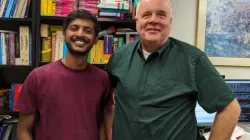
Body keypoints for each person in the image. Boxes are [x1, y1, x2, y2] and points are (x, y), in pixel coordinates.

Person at [106, 0, 241, 139]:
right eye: (146, 15)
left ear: (170, 22)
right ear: (137, 21)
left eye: (161, 15)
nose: (153, 20)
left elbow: (230, 109)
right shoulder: (119, 57)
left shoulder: (193, 60)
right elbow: (106, 101)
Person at [16, 9, 114, 140]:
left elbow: (102, 122)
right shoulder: (38, 76)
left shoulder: (102, 78)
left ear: (96, 39)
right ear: (64, 34)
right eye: (74, 28)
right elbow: (23, 130)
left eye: (88, 31)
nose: (80, 34)